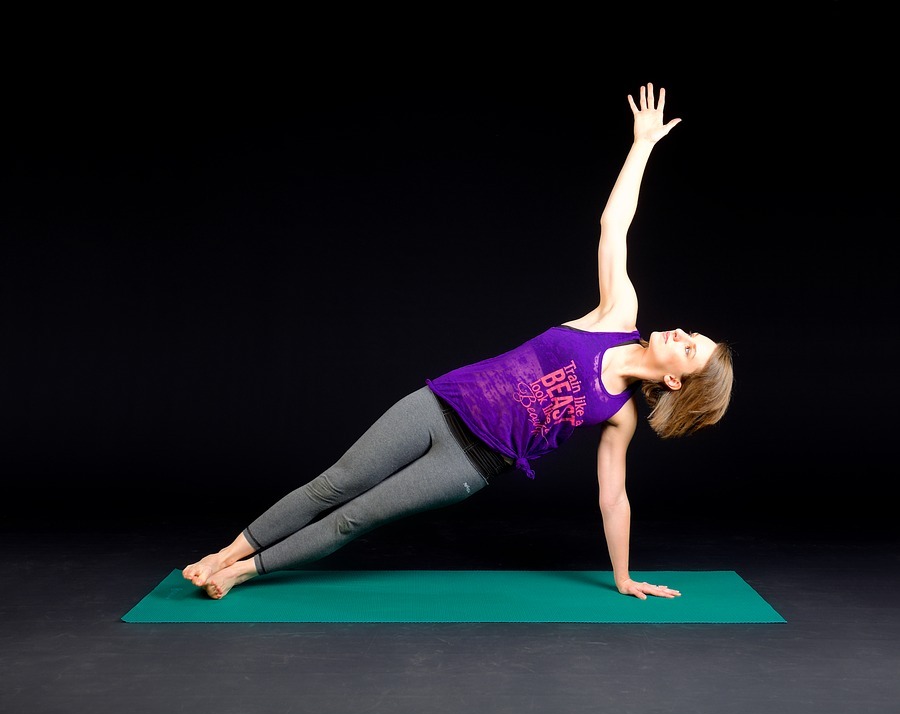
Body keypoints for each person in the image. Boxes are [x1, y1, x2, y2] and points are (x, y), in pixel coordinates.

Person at [183, 82, 733, 601]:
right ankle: (222, 553)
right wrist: (641, 147)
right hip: (440, 404)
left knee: (358, 515)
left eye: (689, 348)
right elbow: (614, 224)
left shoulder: (621, 415)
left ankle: (240, 573)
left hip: (472, 464)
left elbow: (613, 498)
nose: (681, 334)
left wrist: (624, 576)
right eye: (690, 335)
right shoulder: (618, 314)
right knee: (335, 485)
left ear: (674, 380)